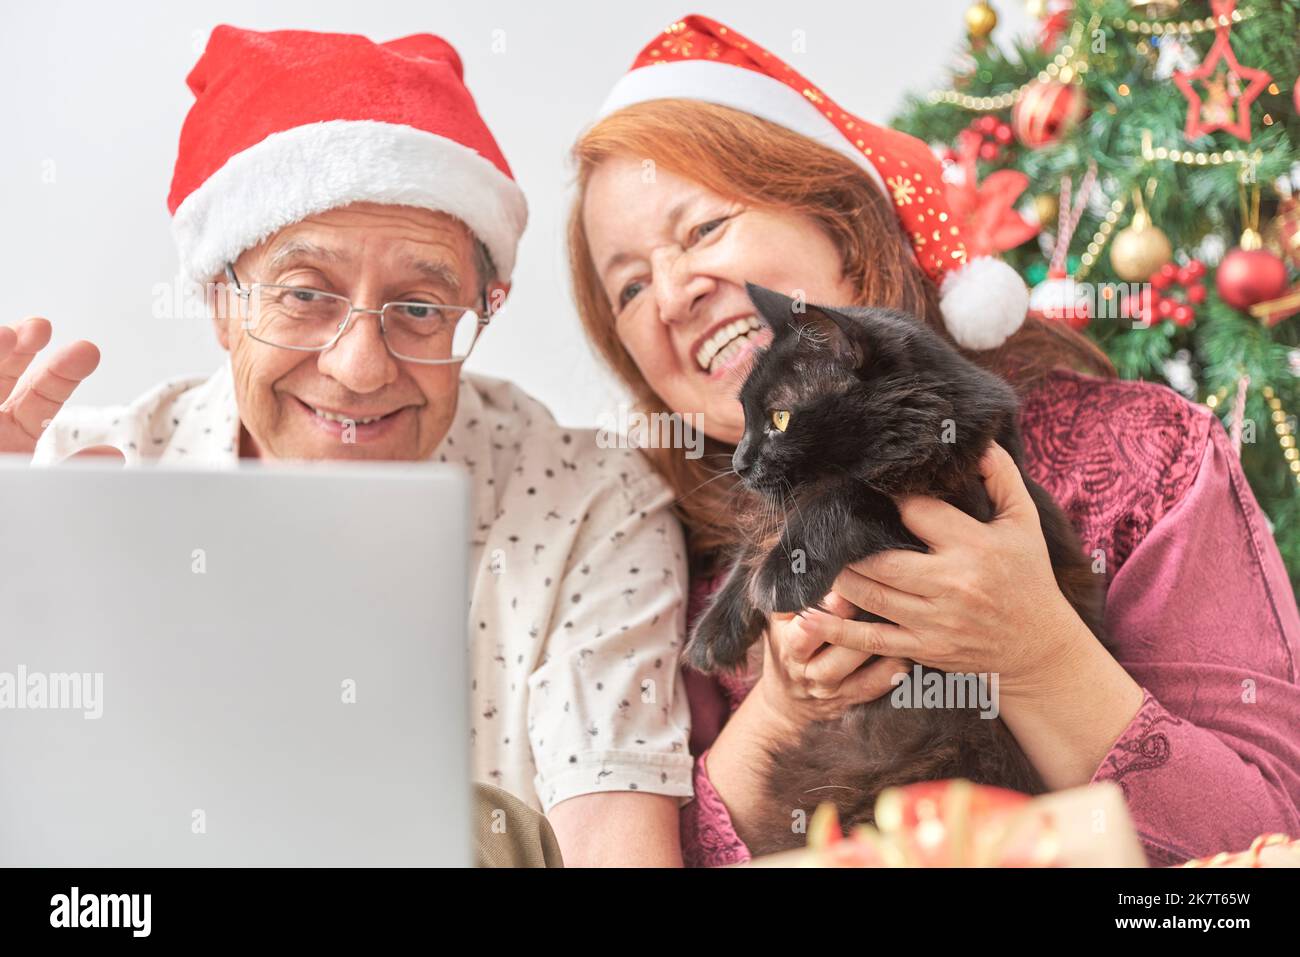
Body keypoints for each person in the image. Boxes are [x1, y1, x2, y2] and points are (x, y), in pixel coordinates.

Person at [567, 14, 1300, 866]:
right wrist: (780, 709)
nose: (669, 296)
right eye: (626, 288)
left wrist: (1037, 655)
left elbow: (1262, 850)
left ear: (840, 223)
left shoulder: (1145, 457)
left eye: (701, 230)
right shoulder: (659, 561)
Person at [0, 25, 693, 866]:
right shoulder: (72, 478)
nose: (360, 368)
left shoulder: (593, 503)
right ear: (220, 303)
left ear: (479, 308)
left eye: (420, 308)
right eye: (304, 294)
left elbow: (613, 846)